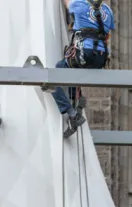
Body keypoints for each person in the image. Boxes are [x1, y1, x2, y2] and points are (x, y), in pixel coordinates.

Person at [52, 0, 115, 138]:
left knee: (55, 75)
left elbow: (66, 2)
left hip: (85, 54)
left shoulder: (79, 4)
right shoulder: (108, 10)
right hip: (101, 57)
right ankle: (77, 99)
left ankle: (72, 113)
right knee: (73, 70)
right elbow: (108, 34)